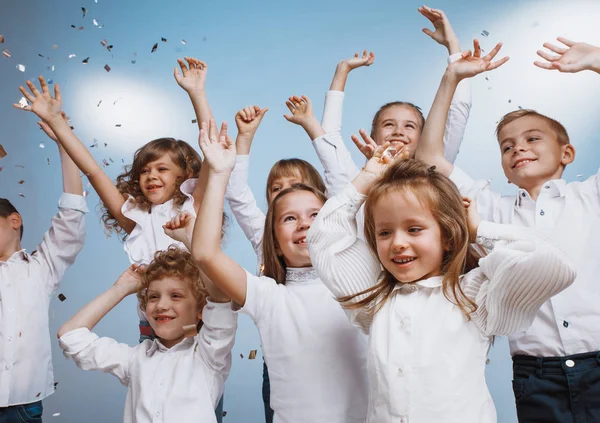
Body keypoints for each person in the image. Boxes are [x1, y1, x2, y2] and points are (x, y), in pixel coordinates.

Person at [307, 144, 576, 422]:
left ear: (447, 235)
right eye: (385, 232)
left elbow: (555, 263)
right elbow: (324, 237)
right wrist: (368, 176)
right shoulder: (376, 302)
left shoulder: (473, 293)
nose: (398, 243)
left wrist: (478, 230)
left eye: (414, 229)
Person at [416, 36, 600, 422]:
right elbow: (429, 157)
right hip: (537, 373)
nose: (519, 149)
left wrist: (598, 63)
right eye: (506, 146)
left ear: (566, 153)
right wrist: (451, 77)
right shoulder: (492, 209)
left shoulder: (591, 196)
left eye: (533, 139)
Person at [190, 121, 369, 422]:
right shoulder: (267, 296)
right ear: (272, 241)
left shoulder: (361, 282)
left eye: (315, 214)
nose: (304, 224)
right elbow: (206, 253)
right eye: (289, 218)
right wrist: (220, 174)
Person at [57, 247, 236, 423]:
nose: (161, 305)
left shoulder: (209, 356)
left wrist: (190, 241)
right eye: (153, 297)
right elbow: (70, 335)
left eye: (175, 295)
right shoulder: (136, 359)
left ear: (202, 309)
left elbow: (220, 300)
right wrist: (120, 289)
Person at [0, 110, 87, 422]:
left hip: (24, 406)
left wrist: (65, 143)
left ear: (14, 221)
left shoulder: (40, 269)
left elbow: (72, 216)